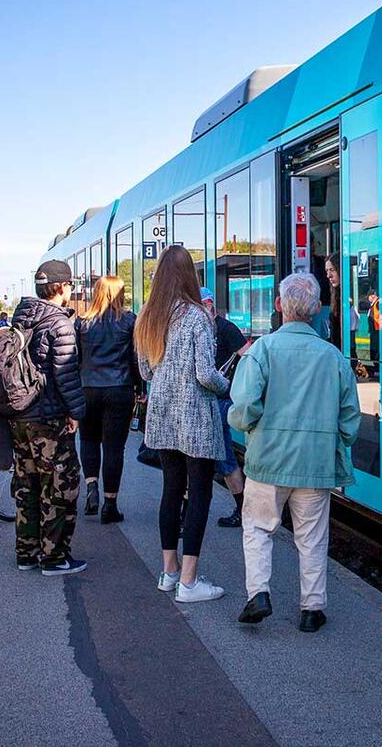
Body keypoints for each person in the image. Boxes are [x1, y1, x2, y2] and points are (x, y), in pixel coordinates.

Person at [230, 273, 361, 633]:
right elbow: (350, 416)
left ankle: (258, 594)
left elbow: (243, 406)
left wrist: (248, 424)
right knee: (312, 537)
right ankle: (312, 609)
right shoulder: (333, 357)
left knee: (257, 528)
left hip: (268, 460)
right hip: (315, 462)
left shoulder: (261, 351)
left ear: (278, 306)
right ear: (317, 309)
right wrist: (339, 440)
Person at [135, 245, 229, 603]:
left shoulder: (148, 316)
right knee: (200, 492)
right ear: (190, 275)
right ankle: (189, 581)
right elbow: (206, 374)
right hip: (194, 417)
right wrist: (227, 384)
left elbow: (145, 372)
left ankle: (169, 572)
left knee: (171, 489)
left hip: (161, 415)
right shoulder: (196, 316)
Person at [10, 260, 88, 576]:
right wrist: (76, 412)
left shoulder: (22, 317)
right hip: (49, 417)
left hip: (19, 416)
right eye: (69, 285)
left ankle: (26, 553)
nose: (71, 290)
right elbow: (66, 373)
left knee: (26, 485)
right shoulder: (58, 323)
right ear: (59, 287)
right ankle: (54, 558)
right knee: (59, 487)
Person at [76, 274, 136, 524]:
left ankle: (91, 487)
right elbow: (135, 359)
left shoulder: (82, 323)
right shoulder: (130, 320)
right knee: (113, 447)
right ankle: (110, 505)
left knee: (88, 439)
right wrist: (139, 387)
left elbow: (76, 358)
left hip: (88, 388)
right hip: (119, 389)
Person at [200, 286, 251, 527]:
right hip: (206, 400)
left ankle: (242, 509)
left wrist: (235, 385)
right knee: (217, 456)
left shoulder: (226, 329)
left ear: (209, 305)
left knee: (223, 457)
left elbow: (248, 356)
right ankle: (241, 508)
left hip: (219, 400)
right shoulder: (199, 328)